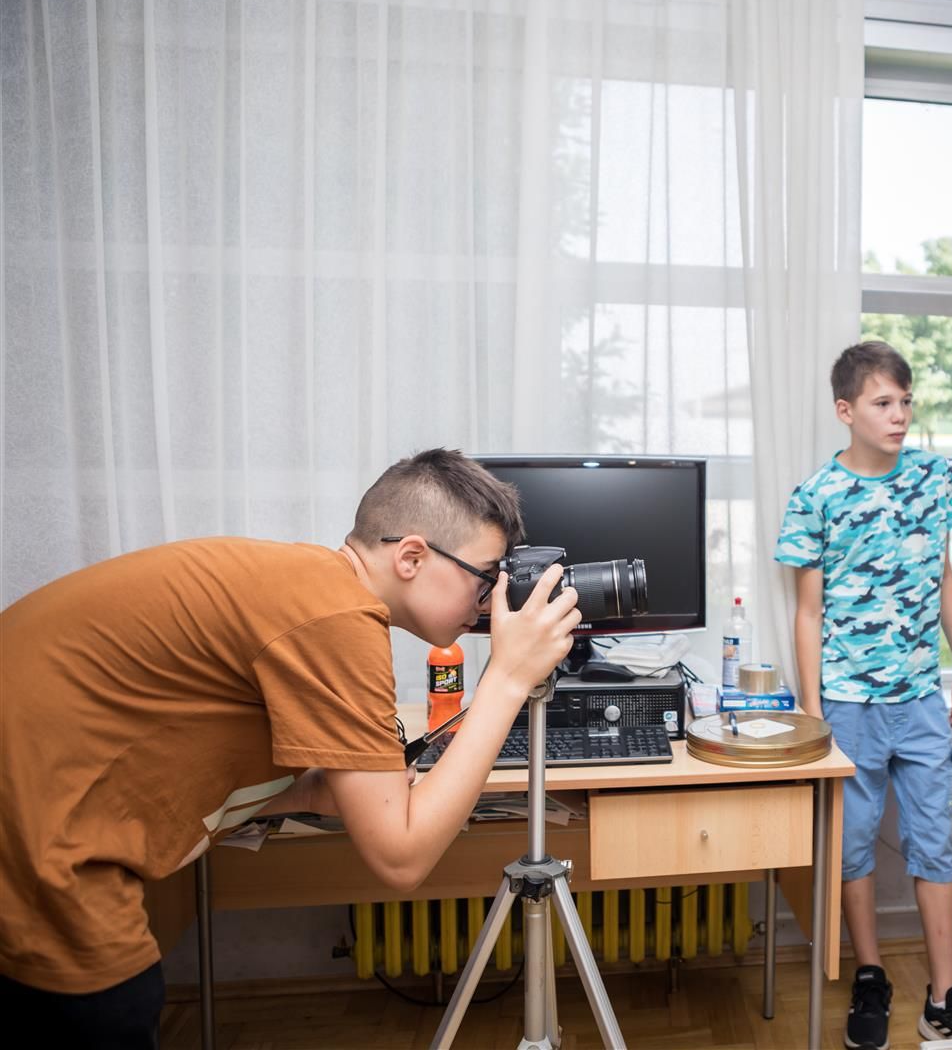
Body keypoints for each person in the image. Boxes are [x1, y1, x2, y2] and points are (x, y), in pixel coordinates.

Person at [0, 448, 579, 1048]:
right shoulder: (337, 617)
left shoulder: (307, 586)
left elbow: (185, 740)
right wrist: (507, 679)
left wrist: (306, 794)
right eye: (485, 580)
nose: (489, 605)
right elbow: (402, 859)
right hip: (40, 839)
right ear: (411, 557)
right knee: (115, 1011)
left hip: (38, 804)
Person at [775, 340, 952, 1047]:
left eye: (906, 402)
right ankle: (869, 974)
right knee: (852, 848)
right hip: (848, 705)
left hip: (921, 698)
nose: (899, 415)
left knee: (935, 845)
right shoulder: (815, 496)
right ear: (846, 411)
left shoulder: (933, 478)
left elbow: (944, 579)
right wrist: (814, 710)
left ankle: (944, 994)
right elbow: (808, 612)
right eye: (883, 403)